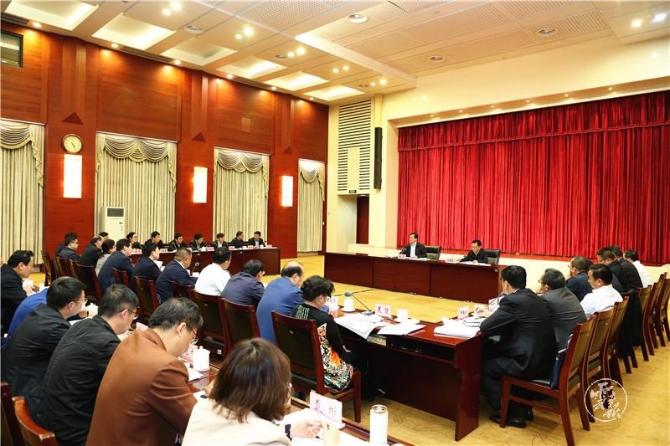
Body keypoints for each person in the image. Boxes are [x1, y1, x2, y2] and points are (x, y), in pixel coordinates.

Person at [87, 298, 203, 445]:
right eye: (192, 338)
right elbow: (195, 423)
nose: (187, 347)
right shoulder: (166, 366)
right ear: (181, 328)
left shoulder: (131, 341)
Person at [39, 285, 139, 446]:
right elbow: (132, 385)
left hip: (51, 417)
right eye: (134, 315)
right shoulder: (106, 343)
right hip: (73, 434)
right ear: (124, 313)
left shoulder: (82, 325)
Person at [182, 339, 322, 445]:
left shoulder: (202, 408)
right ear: (272, 392)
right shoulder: (271, 441)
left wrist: (289, 429)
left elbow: (240, 432)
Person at [478, 266, 556, 428]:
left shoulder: (512, 301)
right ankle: (524, 407)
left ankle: (510, 413)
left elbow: (485, 327)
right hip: (545, 359)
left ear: (506, 283)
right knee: (492, 351)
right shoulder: (533, 296)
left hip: (527, 363)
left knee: (483, 367)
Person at [1, 277, 86, 415]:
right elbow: (79, 355)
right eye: (83, 301)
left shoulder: (41, 311)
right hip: (24, 395)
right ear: (71, 305)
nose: (83, 304)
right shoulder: (55, 328)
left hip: (12, 379)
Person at [292, 276, 355, 390]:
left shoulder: (296, 309)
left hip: (298, 363)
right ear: (320, 297)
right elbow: (338, 347)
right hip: (322, 370)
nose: (326, 300)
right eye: (326, 297)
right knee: (359, 359)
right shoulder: (325, 319)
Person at [537, 268, 587, 349]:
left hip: (564, 346)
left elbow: (539, 321)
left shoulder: (546, 299)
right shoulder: (569, 293)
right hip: (580, 342)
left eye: (541, 282)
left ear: (546, 287)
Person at [257, 261, 305, 343]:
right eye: (302, 278)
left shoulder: (272, 283)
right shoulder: (294, 292)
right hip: (275, 343)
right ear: (296, 276)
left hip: (259, 337)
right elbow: (312, 310)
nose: (302, 281)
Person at [1, 250, 35, 334]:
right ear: (21, 266)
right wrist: (29, 293)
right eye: (31, 265)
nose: (32, 269)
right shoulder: (9, 280)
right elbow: (26, 304)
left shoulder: (7, 272)